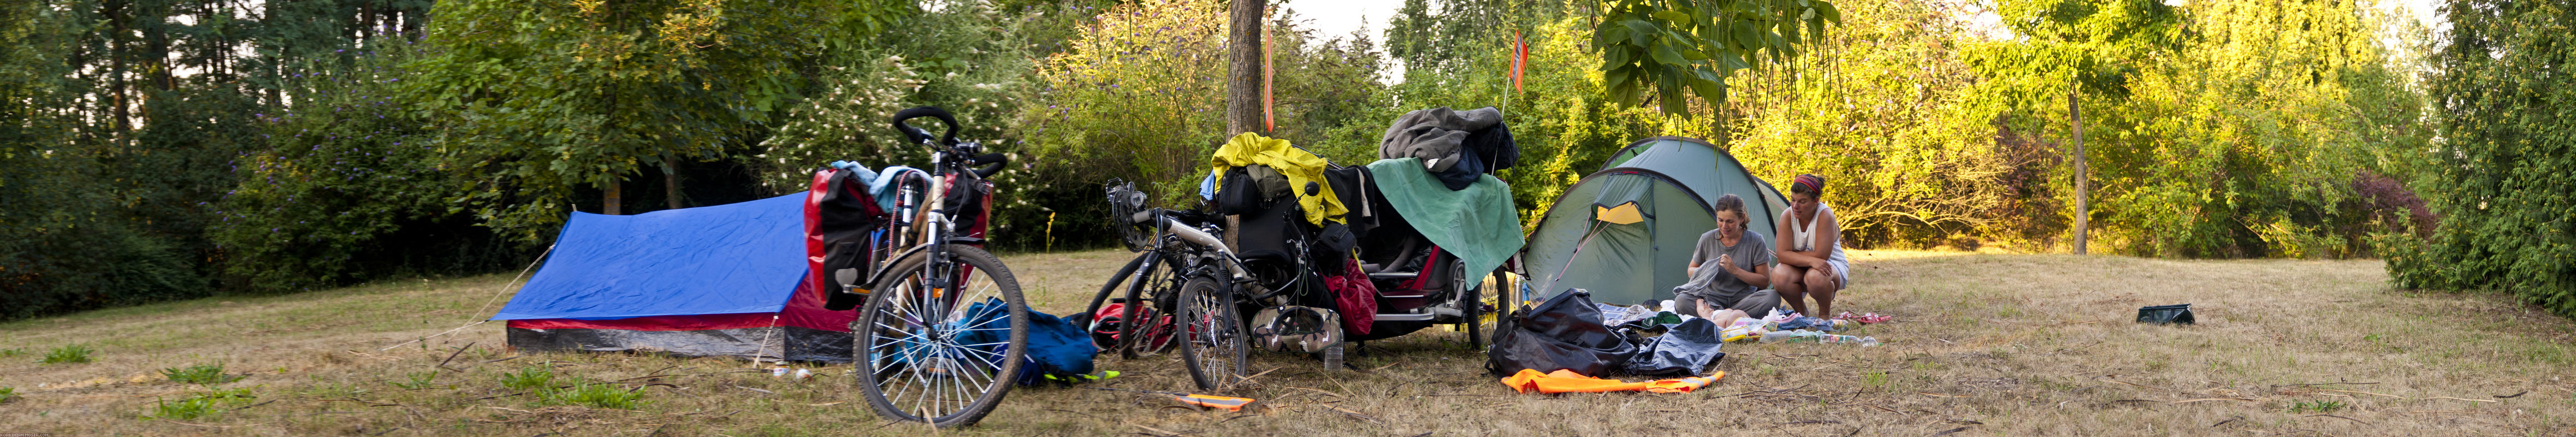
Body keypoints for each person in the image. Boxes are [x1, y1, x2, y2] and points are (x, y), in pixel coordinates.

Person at [1671, 194, 1778, 319]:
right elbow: (1691, 271)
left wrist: (1735, 271)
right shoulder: (1707, 239)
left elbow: (1764, 281)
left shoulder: (1756, 240)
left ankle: (1718, 317)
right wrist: (1707, 270)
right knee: (1682, 300)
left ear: (1741, 218)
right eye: (1720, 220)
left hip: (1743, 302)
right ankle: (1730, 317)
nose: (1724, 227)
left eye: (1730, 222)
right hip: (1712, 301)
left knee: (1772, 297)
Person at [1772, 174, 1850, 317]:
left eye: (1802, 201)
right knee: (1778, 274)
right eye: (1793, 200)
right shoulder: (1787, 216)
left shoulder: (1825, 215)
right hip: (1802, 265)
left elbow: (1821, 257)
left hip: (1830, 265)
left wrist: (1792, 256)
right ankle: (1801, 313)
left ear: (1816, 201)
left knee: (1816, 276)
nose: (1796, 206)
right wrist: (1809, 259)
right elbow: (1782, 254)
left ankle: (1824, 315)